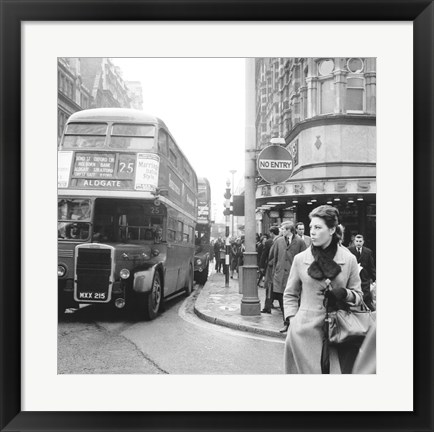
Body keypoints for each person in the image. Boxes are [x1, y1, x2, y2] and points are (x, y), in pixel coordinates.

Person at [283, 205, 363, 374]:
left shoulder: (349, 259)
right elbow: (290, 294)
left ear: (332, 229)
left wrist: (344, 294)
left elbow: (359, 297)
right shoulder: (300, 259)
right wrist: (292, 320)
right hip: (303, 332)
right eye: (311, 227)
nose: (312, 232)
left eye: (318, 227)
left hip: (337, 332)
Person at [273, 221, 307, 333]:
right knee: (283, 301)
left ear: (289, 230)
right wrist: (275, 273)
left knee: (295, 300)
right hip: (281, 275)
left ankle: (294, 323)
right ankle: (286, 323)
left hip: (294, 276)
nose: (281, 231)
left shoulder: (300, 242)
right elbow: (274, 258)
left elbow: (305, 260)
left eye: (283, 229)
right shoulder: (278, 241)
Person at [348, 234, 376, 311]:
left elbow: (371, 266)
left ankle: (370, 314)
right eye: (357, 241)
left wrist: (374, 278)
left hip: (364, 278)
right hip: (354, 277)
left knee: (366, 297)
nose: (358, 243)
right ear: (354, 242)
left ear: (363, 242)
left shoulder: (368, 251)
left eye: (360, 241)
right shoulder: (349, 251)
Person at [260, 226, 280, 313]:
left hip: (271, 268)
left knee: (269, 287)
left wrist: (261, 266)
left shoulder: (269, 242)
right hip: (278, 268)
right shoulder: (282, 240)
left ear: (271, 233)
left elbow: (264, 255)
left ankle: (267, 306)